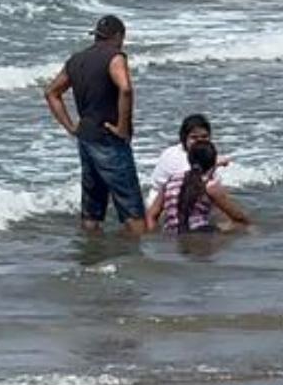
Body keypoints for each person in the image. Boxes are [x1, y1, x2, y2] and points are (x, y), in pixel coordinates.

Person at [45, 15, 146, 236]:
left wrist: (70, 126)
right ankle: (140, 266)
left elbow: (51, 92)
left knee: (92, 211)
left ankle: (92, 256)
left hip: (86, 137)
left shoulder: (76, 60)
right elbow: (126, 89)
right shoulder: (115, 57)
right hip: (108, 137)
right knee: (132, 210)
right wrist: (122, 127)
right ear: (118, 36)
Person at [151, 139, 249, 235]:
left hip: (171, 234)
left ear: (189, 159)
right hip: (200, 235)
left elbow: (151, 216)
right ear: (212, 161)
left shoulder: (170, 181)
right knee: (240, 225)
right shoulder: (210, 187)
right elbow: (238, 217)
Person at [148, 112, 227, 226]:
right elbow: (191, 179)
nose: (200, 141)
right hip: (165, 200)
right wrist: (215, 164)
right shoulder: (173, 155)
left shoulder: (205, 153)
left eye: (204, 137)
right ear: (184, 138)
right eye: (194, 137)